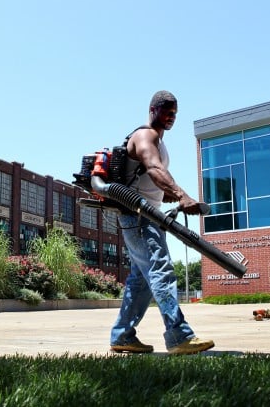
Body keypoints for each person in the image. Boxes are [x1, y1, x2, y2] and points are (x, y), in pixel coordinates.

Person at [109, 90, 215, 355]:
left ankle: (122, 335)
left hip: (144, 216)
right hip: (138, 216)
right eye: (167, 111)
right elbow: (155, 168)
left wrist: (166, 193)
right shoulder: (146, 135)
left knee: (141, 280)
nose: (171, 117)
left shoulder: (158, 141)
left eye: (174, 114)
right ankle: (179, 336)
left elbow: (150, 174)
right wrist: (182, 194)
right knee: (161, 270)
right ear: (153, 110)